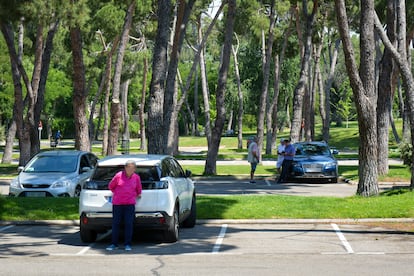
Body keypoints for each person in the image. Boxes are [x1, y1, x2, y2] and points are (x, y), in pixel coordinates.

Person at [106, 160, 142, 251]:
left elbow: (139, 190)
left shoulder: (136, 178)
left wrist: (135, 195)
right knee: (116, 224)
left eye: (132, 168)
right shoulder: (118, 176)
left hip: (129, 204)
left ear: (134, 169)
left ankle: (127, 244)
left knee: (129, 224)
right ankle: (114, 244)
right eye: (128, 167)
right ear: (125, 168)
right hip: (118, 204)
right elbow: (111, 186)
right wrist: (118, 193)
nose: (130, 169)